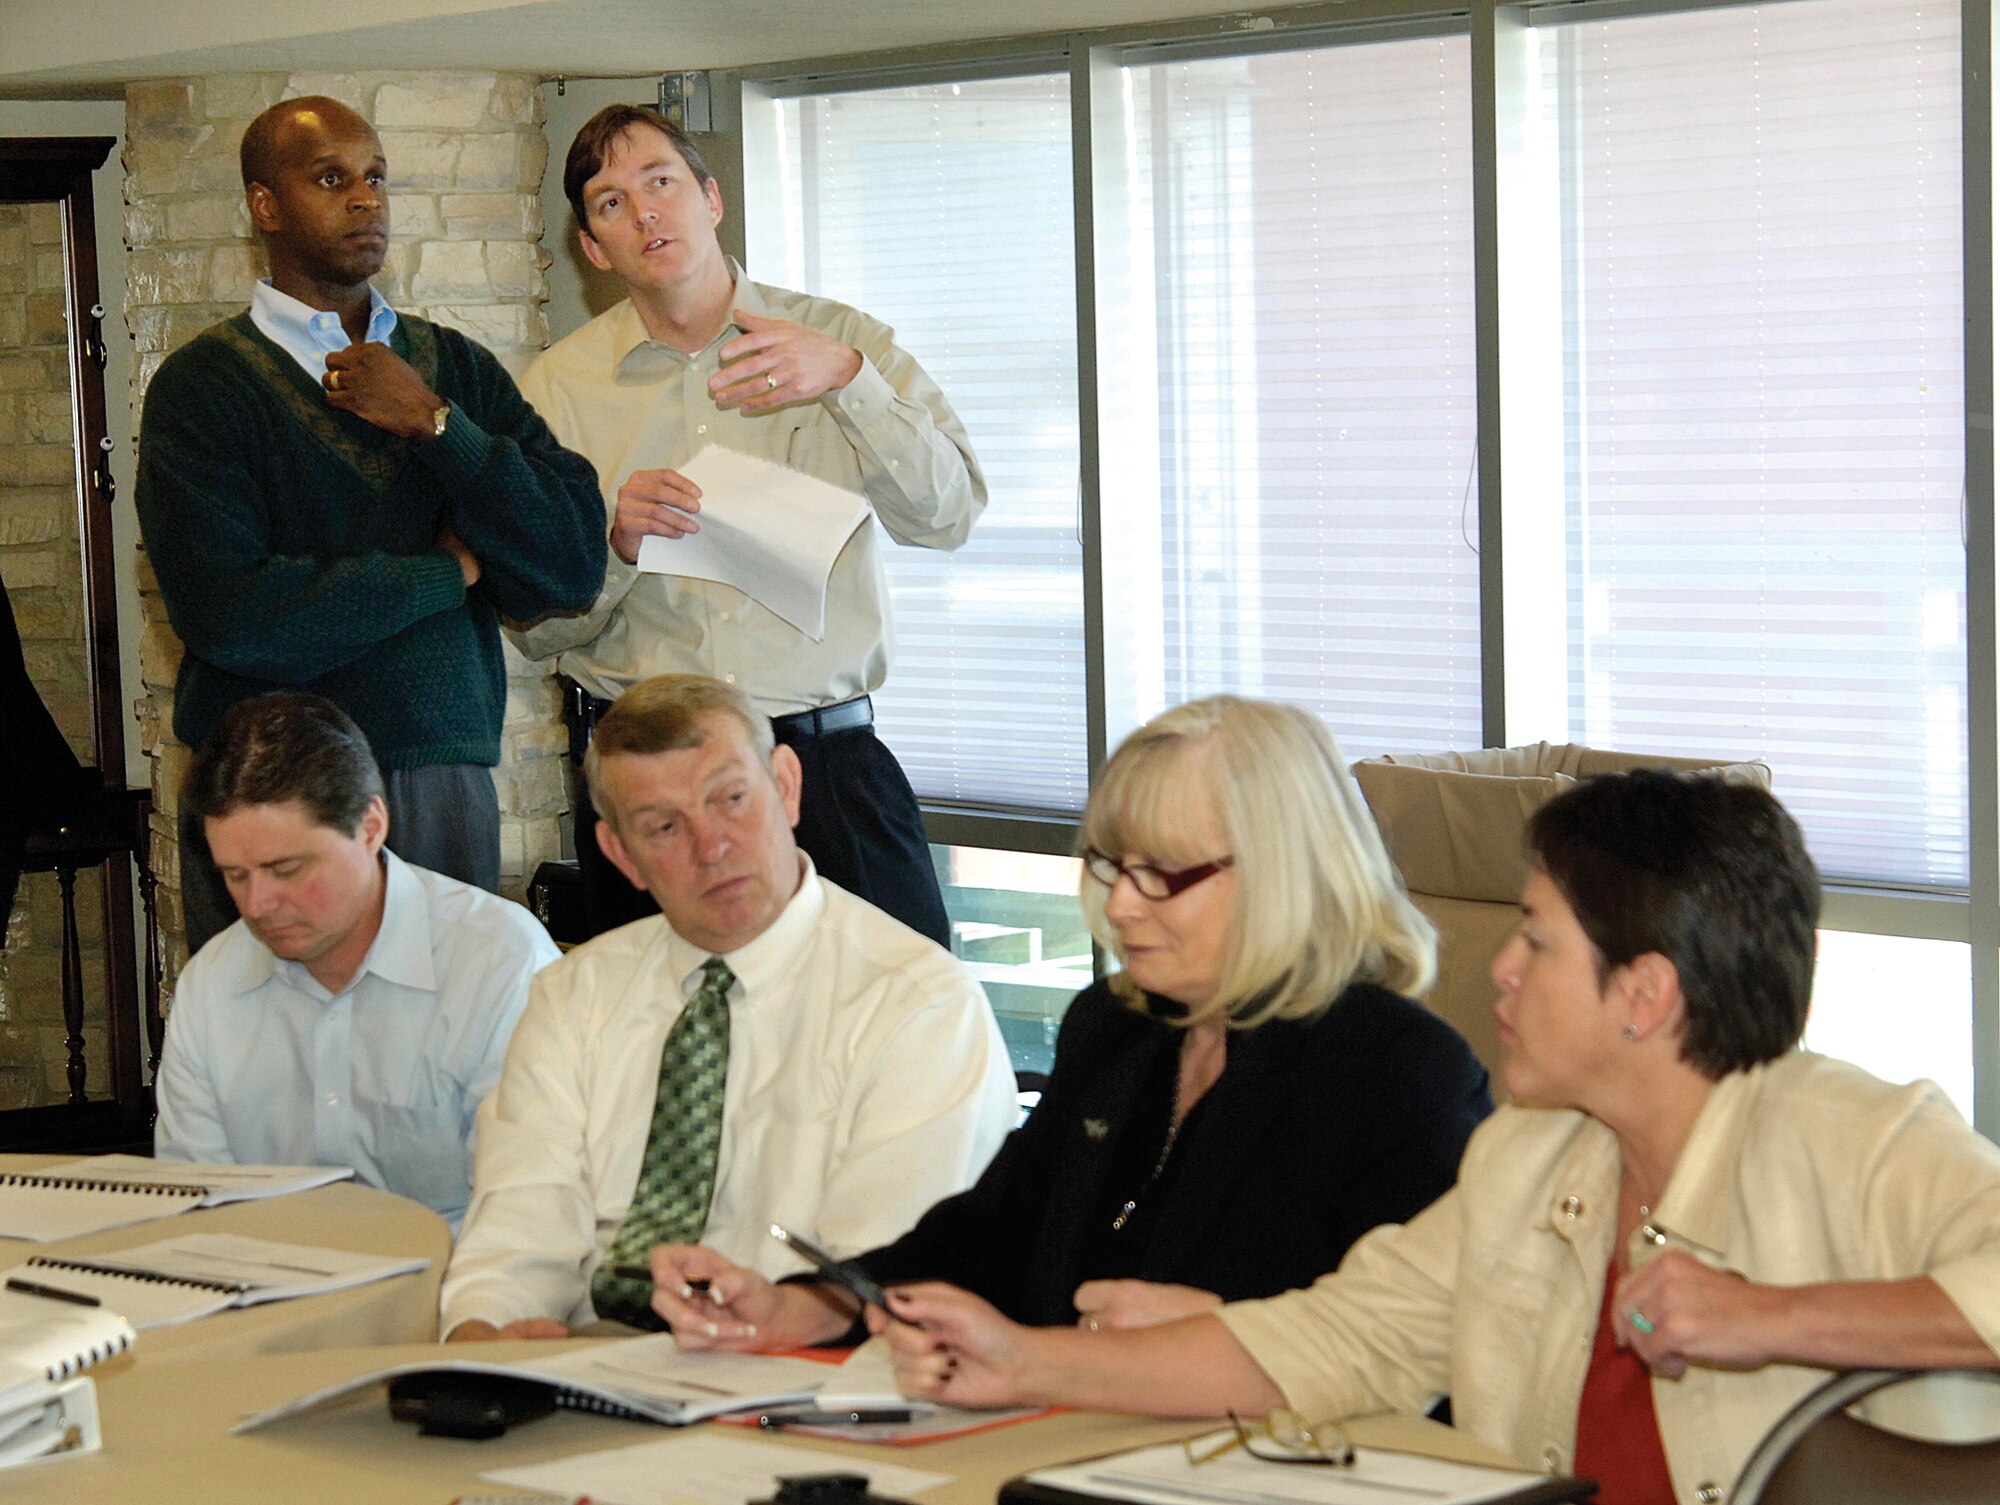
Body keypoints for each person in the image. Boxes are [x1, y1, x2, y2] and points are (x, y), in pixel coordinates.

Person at [876, 770, 2000, 1504]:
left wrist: (1772, 1317)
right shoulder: (1531, 1157)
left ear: (1643, 994)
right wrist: (1021, 1358)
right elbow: (1332, 1342)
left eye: (1537, 941)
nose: (1499, 969)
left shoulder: (1858, 1135)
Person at [642, 696, 1491, 1350]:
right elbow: (989, 1238)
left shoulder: (1399, 1071)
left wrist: (1224, 1335)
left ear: (1284, 873)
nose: (1120, 904)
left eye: (1160, 872)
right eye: (1112, 864)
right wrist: (805, 1303)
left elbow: (1416, 1350)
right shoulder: (1116, 1028)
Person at [135, 95, 607, 953]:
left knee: (445, 1063)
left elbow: (570, 562)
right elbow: (233, 614)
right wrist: (444, 574)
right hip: (261, 795)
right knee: (268, 1072)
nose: (366, 200)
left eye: (376, 178)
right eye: (330, 178)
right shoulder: (201, 389)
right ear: (264, 205)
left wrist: (435, 424)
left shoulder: (452, 368)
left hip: (437, 780)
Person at [510, 103, 983, 947]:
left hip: (827, 767)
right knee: (679, 1054)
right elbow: (538, 628)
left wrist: (849, 382)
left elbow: (947, 515)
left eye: (661, 183)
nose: (646, 212)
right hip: (651, 783)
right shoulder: (556, 391)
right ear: (591, 247)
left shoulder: (843, 339)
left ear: (711, 197)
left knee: (894, 1038)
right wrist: (613, 546)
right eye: (612, 203)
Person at [439, 673, 1016, 1341]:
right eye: (664, 826)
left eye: (733, 799)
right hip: (585, 1366)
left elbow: (874, 1277)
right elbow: (516, 1228)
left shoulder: (917, 1005)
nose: (710, 847)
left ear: (787, 787)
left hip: (799, 1371)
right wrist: (484, 1335)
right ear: (621, 854)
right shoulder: (576, 993)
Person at [154, 693, 559, 1231]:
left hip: (459, 1292)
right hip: (274, 1292)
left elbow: (535, 1211)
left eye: (287, 868)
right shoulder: (212, 986)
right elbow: (197, 1206)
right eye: (236, 875)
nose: (257, 906)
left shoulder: (498, 963)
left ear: (371, 826)